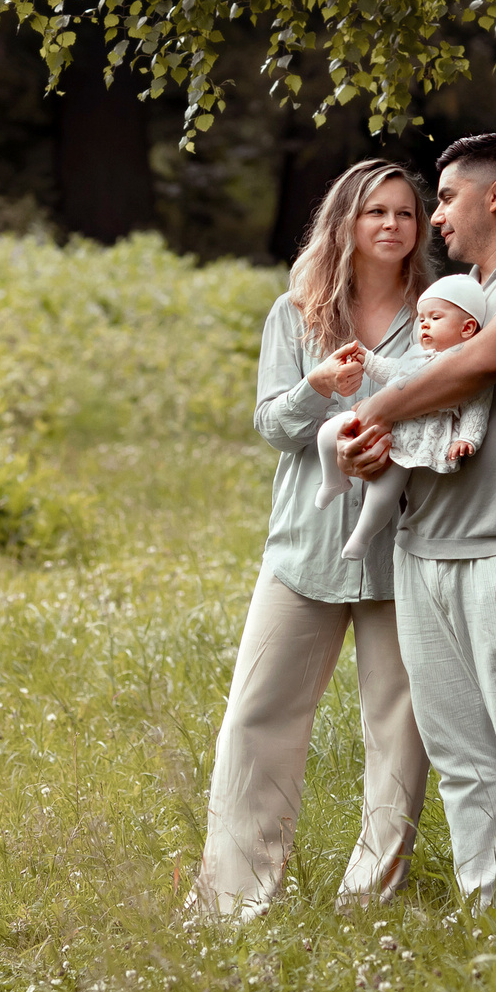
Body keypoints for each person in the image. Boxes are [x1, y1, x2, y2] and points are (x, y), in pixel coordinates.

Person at [337, 133, 496, 911]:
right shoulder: (450, 298)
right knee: (459, 756)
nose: (435, 215)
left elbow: (482, 363)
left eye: (447, 196)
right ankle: (489, 913)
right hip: (420, 549)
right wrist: (365, 445)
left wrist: (376, 411)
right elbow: (418, 400)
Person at [187, 160, 434, 919]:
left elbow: (454, 413)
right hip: (304, 546)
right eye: (375, 212)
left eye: (405, 212)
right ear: (345, 222)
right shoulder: (295, 313)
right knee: (256, 716)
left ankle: (371, 898)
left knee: (399, 730)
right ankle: (234, 898)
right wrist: (316, 388)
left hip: (402, 547)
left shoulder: (440, 311)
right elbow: (272, 424)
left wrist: (392, 442)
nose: (392, 225)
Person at [313, 276, 495, 561]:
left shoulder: (464, 368)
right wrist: (367, 359)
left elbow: (477, 407)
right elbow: (392, 370)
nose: (424, 325)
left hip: (412, 440)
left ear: (467, 328)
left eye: (435, 318)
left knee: (384, 490)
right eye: (421, 319)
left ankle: (361, 537)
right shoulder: (416, 355)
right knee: (327, 432)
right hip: (379, 422)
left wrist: (467, 438)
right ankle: (333, 480)